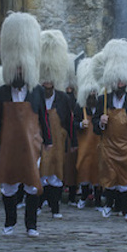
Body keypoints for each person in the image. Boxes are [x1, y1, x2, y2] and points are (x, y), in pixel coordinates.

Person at [0, 12, 49, 238]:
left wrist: (49, 141)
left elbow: (43, 118)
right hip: (8, 144)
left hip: (32, 144)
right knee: (9, 185)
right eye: (16, 67)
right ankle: (9, 221)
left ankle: (31, 225)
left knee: (33, 184)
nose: (19, 71)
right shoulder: (0, 92)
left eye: (23, 67)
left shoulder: (37, 92)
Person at [92, 39, 127, 222]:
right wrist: (100, 121)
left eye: (124, 80)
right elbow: (94, 123)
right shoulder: (103, 99)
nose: (121, 83)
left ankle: (126, 210)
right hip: (109, 144)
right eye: (118, 80)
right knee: (110, 175)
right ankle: (108, 206)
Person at [38, 30, 76, 219]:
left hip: (58, 141)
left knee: (56, 174)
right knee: (40, 172)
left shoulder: (63, 98)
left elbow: (69, 121)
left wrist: (73, 141)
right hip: (40, 139)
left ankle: (55, 208)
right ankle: (38, 203)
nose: (47, 82)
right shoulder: (35, 95)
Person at [74, 57, 102, 209]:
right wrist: (80, 124)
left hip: (98, 144)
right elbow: (74, 124)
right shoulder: (80, 107)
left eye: (94, 91)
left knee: (98, 170)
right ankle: (84, 197)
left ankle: (98, 200)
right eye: (90, 91)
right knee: (84, 168)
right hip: (84, 144)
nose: (92, 94)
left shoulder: (101, 106)